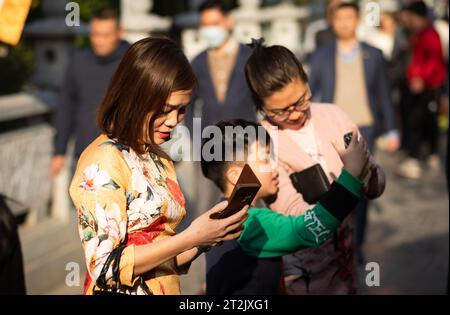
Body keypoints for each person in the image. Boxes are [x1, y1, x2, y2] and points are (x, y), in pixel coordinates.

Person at [69, 37, 249, 295]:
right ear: (135, 97)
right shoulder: (103, 162)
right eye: (165, 109)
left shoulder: (156, 155)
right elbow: (105, 268)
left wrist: (208, 237)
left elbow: (165, 261)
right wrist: (192, 236)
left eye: (181, 110)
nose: (173, 121)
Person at [244, 41, 386, 294]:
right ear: (261, 106)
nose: (296, 113)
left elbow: (375, 182)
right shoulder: (262, 144)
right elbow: (295, 214)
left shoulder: (333, 115)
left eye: (301, 100)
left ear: (307, 80)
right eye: (281, 111)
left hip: (346, 264)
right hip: (301, 277)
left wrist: (369, 172)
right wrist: (351, 176)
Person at [202, 119, 371, 294]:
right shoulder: (250, 222)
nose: (275, 168)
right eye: (266, 158)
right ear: (236, 175)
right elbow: (310, 229)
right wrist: (352, 173)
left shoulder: (221, 214)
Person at [308, 2, 398, 261]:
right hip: (333, 130)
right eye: (340, 18)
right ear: (332, 21)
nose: (345, 23)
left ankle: (356, 244)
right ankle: (336, 239)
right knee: (334, 186)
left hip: (364, 129)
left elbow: (384, 93)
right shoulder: (322, 54)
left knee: (361, 188)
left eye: (349, 17)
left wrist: (391, 129)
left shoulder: (374, 54)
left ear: (357, 19)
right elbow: (311, 91)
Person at [181, 0, 257, 232]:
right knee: (208, 208)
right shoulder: (198, 61)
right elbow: (189, 103)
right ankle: (210, 257)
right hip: (209, 144)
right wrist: (195, 137)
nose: (209, 29)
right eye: (205, 24)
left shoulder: (250, 57)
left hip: (246, 141)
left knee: (250, 204)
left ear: (228, 21)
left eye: (214, 23)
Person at [51, 7, 129, 177]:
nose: (99, 40)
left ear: (120, 33)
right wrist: (59, 151)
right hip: (85, 155)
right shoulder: (79, 62)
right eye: (95, 34)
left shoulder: (133, 62)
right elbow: (66, 107)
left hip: (125, 157)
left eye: (105, 35)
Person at [396, 1, 446, 179]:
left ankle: (423, 157)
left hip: (429, 87)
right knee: (417, 120)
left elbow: (433, 61)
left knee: (425, 121)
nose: (409, 20)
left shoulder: (430, 35)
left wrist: (421, 79)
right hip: (418, 85)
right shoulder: (417, 34)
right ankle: (420, 155)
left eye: (411, 17)